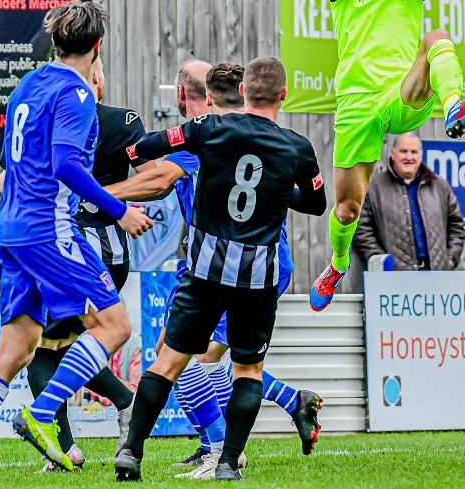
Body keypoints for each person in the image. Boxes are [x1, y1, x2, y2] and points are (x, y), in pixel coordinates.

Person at [0, 1, 153, 489]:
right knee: (115, 327)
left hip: (11, 229)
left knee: (18, 345)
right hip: (47, 228)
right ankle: (42, 412)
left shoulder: (27, 86)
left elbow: (18, 163)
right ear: (98, 46)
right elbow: (66, 167)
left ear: (53, 42)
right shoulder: (76, 93)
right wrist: (122, 210)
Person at [114, 57, 327, 482]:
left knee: (169, 360)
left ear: (243, 94)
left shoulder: (206, 130)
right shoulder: (297, 147)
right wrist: (278, 189)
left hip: (207, 269)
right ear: (283, 96)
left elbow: (148, 149)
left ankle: (132, 453)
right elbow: (318, 203)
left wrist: (128, 157)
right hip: (257, 275)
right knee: (247, 368)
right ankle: (228, 460)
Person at [310, 0, 465, 311]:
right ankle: (334, 265)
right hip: (356, 105)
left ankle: (454, 106)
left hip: (399, 93)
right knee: (348, 209)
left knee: (436, 38)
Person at [353, 133, 464, 271]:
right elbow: (361, 229)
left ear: (421, 156)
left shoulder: (440, 186)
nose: (409, 157)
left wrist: (450, 260)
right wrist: (380, 261)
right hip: (393, 279)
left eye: (414, 152)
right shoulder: (374, 187)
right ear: (393, 155)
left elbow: (456, 225)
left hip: (437, 276)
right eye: (403, 151)